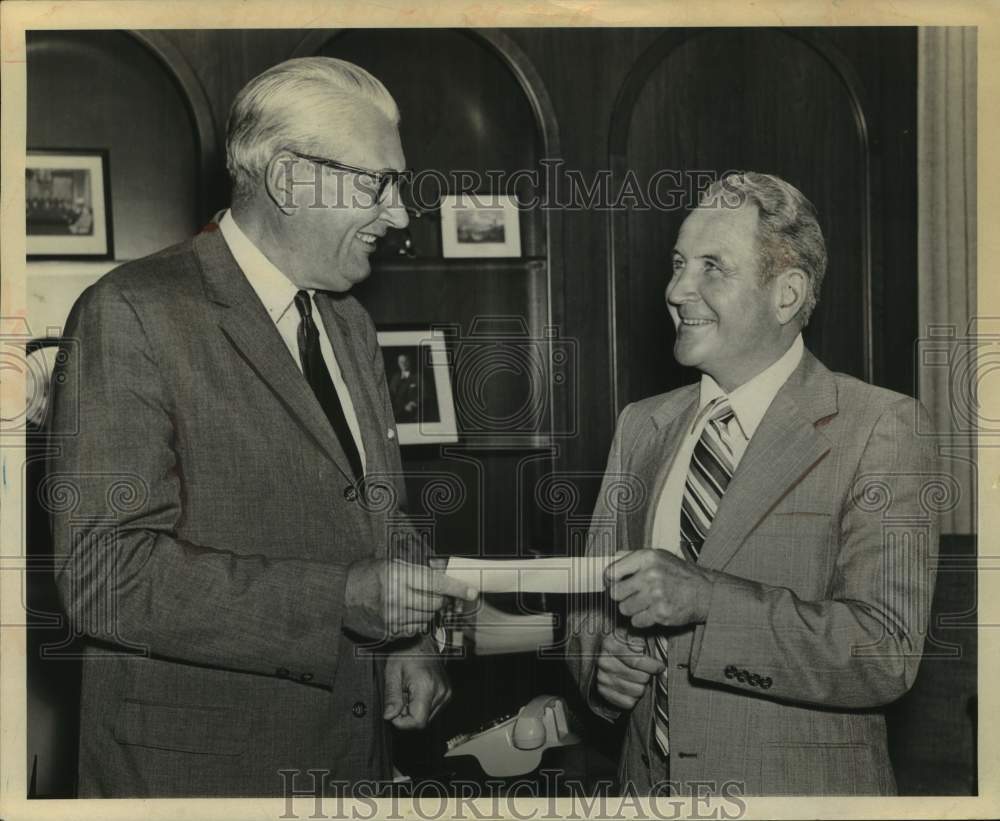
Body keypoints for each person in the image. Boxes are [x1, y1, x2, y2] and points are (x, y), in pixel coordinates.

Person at [49, 57, 476, 798]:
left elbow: (379, 512)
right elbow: (104, 577)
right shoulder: (132, 313)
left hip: (351, 762)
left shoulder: (348, 323)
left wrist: (411, 637)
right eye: (378, 184)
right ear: (288, 179)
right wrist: (339, 601)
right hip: (197, 776)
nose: (401, 214)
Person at [567, 172, 938, 796]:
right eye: (679, 264)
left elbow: (884, 653)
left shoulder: (880, 426)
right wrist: (601, 667)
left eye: (712, 267)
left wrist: (710, 600)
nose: (677, 290)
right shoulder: (641, 426)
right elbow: (588, 607)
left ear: (787, 294)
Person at [389, 352, 420, 422]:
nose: (403, 364)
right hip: (395, 412)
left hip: (410, 413)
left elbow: (424, 394)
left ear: (409, 362)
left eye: (405, 361)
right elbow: (391, 394)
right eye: (400, 362)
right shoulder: (395, 377)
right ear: (398, 363)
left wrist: (414, 402)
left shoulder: (417, 377)